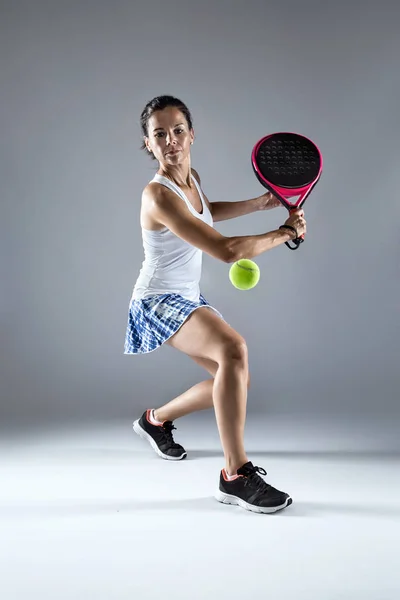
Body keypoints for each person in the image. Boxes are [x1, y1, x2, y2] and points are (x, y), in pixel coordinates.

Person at [124, 95, 306, 514]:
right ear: (148, 144)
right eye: (159, 135)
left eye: (178, 131)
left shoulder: (191, 180)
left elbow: (205, 214)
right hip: (156, 299)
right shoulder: (158, 195)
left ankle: (154, 421)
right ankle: (235, 475)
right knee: (233, 351)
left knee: (234, 382)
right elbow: (226, 251)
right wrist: (282, 232)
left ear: (192, 135)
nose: (171, 141)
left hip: (185, 295)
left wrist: (259, 203)